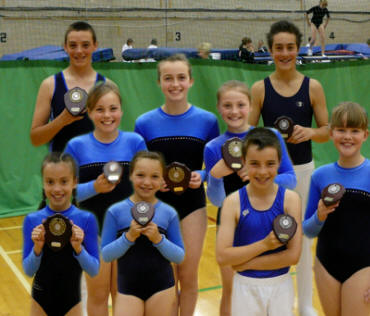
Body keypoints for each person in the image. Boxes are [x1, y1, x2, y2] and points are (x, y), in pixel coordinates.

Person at [248, 20, 329, 316]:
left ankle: (305, 304)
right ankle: (271, 303)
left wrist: (309, 133)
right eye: (279, 47)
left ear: (298, 49)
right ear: (270, 50)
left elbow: (327, 129)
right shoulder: (259, 88)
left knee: (304, 238)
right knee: (268, 236)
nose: (284, 53)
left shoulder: (313, 87)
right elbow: (246, 130)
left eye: (290, 47)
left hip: (304, 171)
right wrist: (268, 137)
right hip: (269, 178)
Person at [135, 53, 220, 316]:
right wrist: (152, 182)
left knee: (188, 272)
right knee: (167, 275)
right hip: (158, 208)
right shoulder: (144, 123)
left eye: (181, 78)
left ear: (191, 81)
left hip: (192, 207)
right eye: (168, 78)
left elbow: (215, 165)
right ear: (159, 82)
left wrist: (202, 176)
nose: (175, 84)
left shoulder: (207, 121)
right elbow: (139, 169)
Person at [204, 80, 297, 316]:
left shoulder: (270, 135)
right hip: (234, 229)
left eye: (240, 104)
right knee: (231, 291)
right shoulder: (214, 147)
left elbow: (291, 178)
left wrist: (260, 175)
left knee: (274, 287)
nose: (234, 111)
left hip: (269, 220)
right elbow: (216, 201)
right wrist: (215, 176)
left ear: (250, 106)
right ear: (218, 108)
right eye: (227, 105)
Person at [64, 82, 147, 316]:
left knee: (123, 295)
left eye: (113, 108)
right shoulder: (76, 146)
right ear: (89, 112)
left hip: (128, 232)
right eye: (99, 109)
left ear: (121, 110)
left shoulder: (135, 142)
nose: (107, 115)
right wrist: (95, 187)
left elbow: (146, 188)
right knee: (98, 296)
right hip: (93, 232)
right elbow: (63, 195)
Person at [216, 127, 302, 316]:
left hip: (281, 285)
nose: (263, 171)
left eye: (270, 163)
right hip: (245, 288)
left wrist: (246, 263)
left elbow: (293, 256)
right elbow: (222, 256)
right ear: (244, 162)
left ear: (279, 163)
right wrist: (264, 245)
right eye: (254, 163)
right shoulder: (233, 202)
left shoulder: (291, 200)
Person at [303, 102, 370, 316]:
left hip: (364, 266)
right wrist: (320, 215)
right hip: (326, 264)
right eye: (341, 130)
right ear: (331, 134)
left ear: (365, 135)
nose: (347, 136)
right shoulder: (320, 176)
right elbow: (308, 229)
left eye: (354, 130)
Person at [101, 151, 185, 316]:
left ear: (163, 180)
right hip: (127, 289)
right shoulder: (115, 212)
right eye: (140, 175)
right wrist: (128, 237)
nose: (147, 182)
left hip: (162, 288)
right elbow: (106, 254)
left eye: (154, 176)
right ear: (131, 176)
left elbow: (179, 256)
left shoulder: (169, 213)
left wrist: (159, 239)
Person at [22, 152, 100, 316]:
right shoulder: (32, 220)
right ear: (43, 184)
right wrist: (37, 248)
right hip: (41, 300)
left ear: (74, 182)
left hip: (72, 301)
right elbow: (29, 270)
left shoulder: (86, 219)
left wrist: (79, 248)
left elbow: (93, 269)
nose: (57, 189)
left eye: (64, 181)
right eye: (50, 182)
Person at [30, 21, 108, 152]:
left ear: (95, 46)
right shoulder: (50, 85)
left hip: (94, 169)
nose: (79, 51)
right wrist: (62, 120)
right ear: (65, 47)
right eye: (73, 45)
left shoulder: (107, 86)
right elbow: (36, 139)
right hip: (60, 168)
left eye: (85, 45)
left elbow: (112, 136)